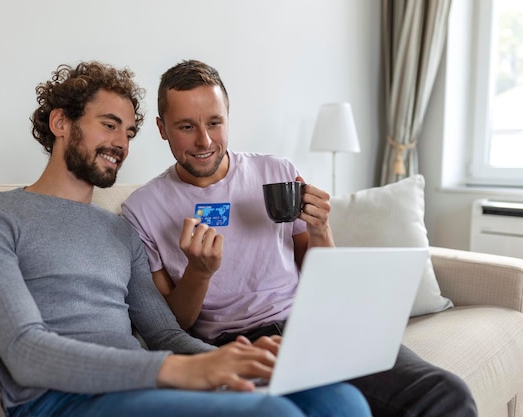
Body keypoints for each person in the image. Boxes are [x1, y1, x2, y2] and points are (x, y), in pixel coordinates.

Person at [0, 61, 371, 417]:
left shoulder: (119, 230)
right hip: (61, 400)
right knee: (272, 412)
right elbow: (25, 352)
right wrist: (178, 371)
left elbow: (166, 336)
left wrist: (237, 361)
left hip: (144, 385)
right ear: (61, 123)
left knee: (339, 400)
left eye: (129, 133)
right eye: (109, 125)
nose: (120, 143)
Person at [121, 59, 478, 417]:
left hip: (312, 324)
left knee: (445, 393)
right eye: (186, 126)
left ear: (228, 117)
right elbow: (173, 326)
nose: (205, 140)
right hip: (237, 344)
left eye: (215, 122)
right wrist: (199, 273)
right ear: (162, 128)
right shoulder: (142, 209)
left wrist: (321, 229)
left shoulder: (276, 172)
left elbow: (324, 278)